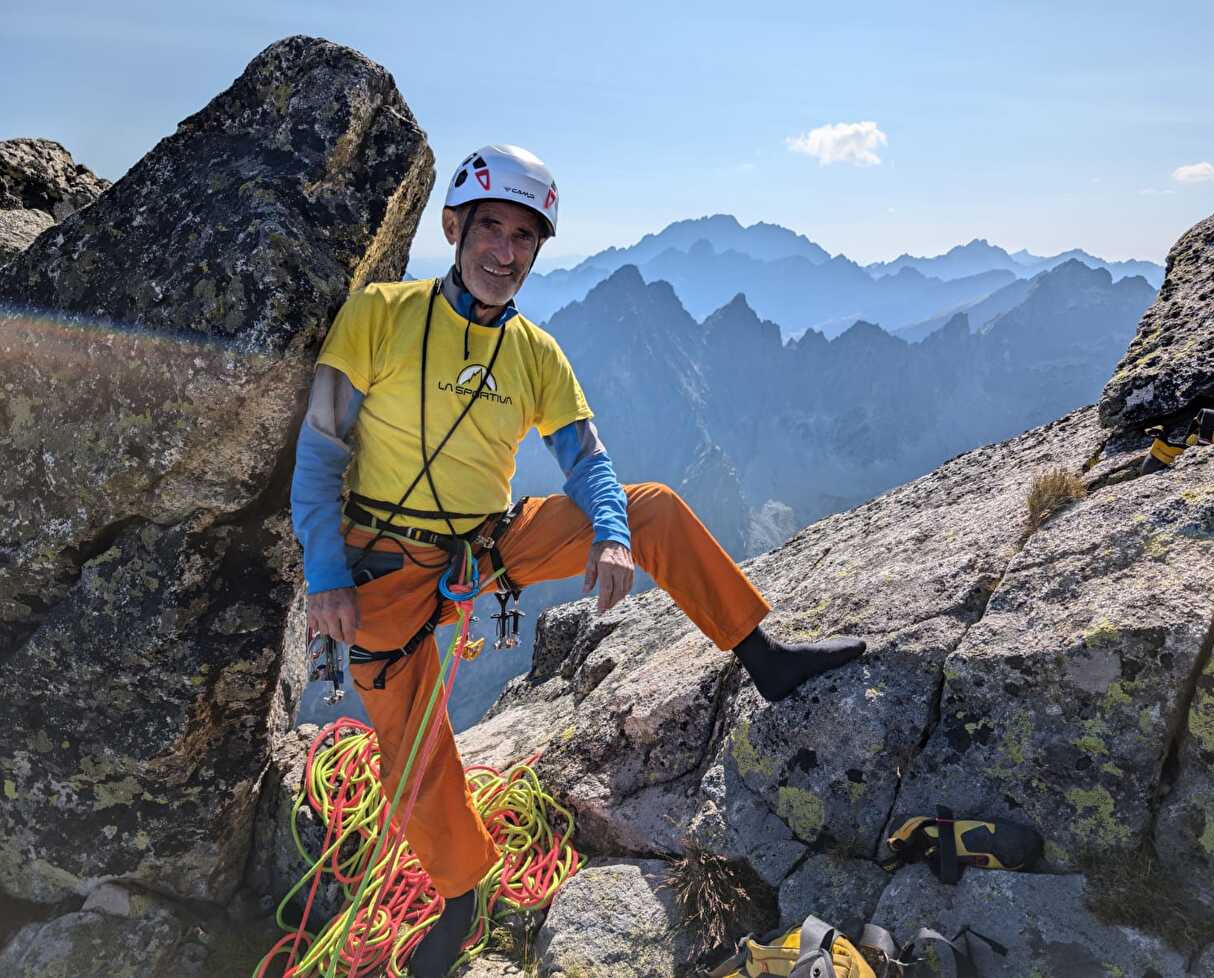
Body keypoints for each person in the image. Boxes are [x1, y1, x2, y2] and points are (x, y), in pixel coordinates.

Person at [290, 144, 865, 977]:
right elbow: (319, 451)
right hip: (380, 565)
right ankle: (460, 899)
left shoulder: (535, 354)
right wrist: (325, 575)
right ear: (454, 227)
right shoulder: (379, 314)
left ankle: (764, 656)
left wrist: (611, 532)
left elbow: (589, 461)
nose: (505, 251)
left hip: (487, 547)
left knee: (652, 507)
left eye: (525, 237)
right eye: (491, 227)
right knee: (409, 749)